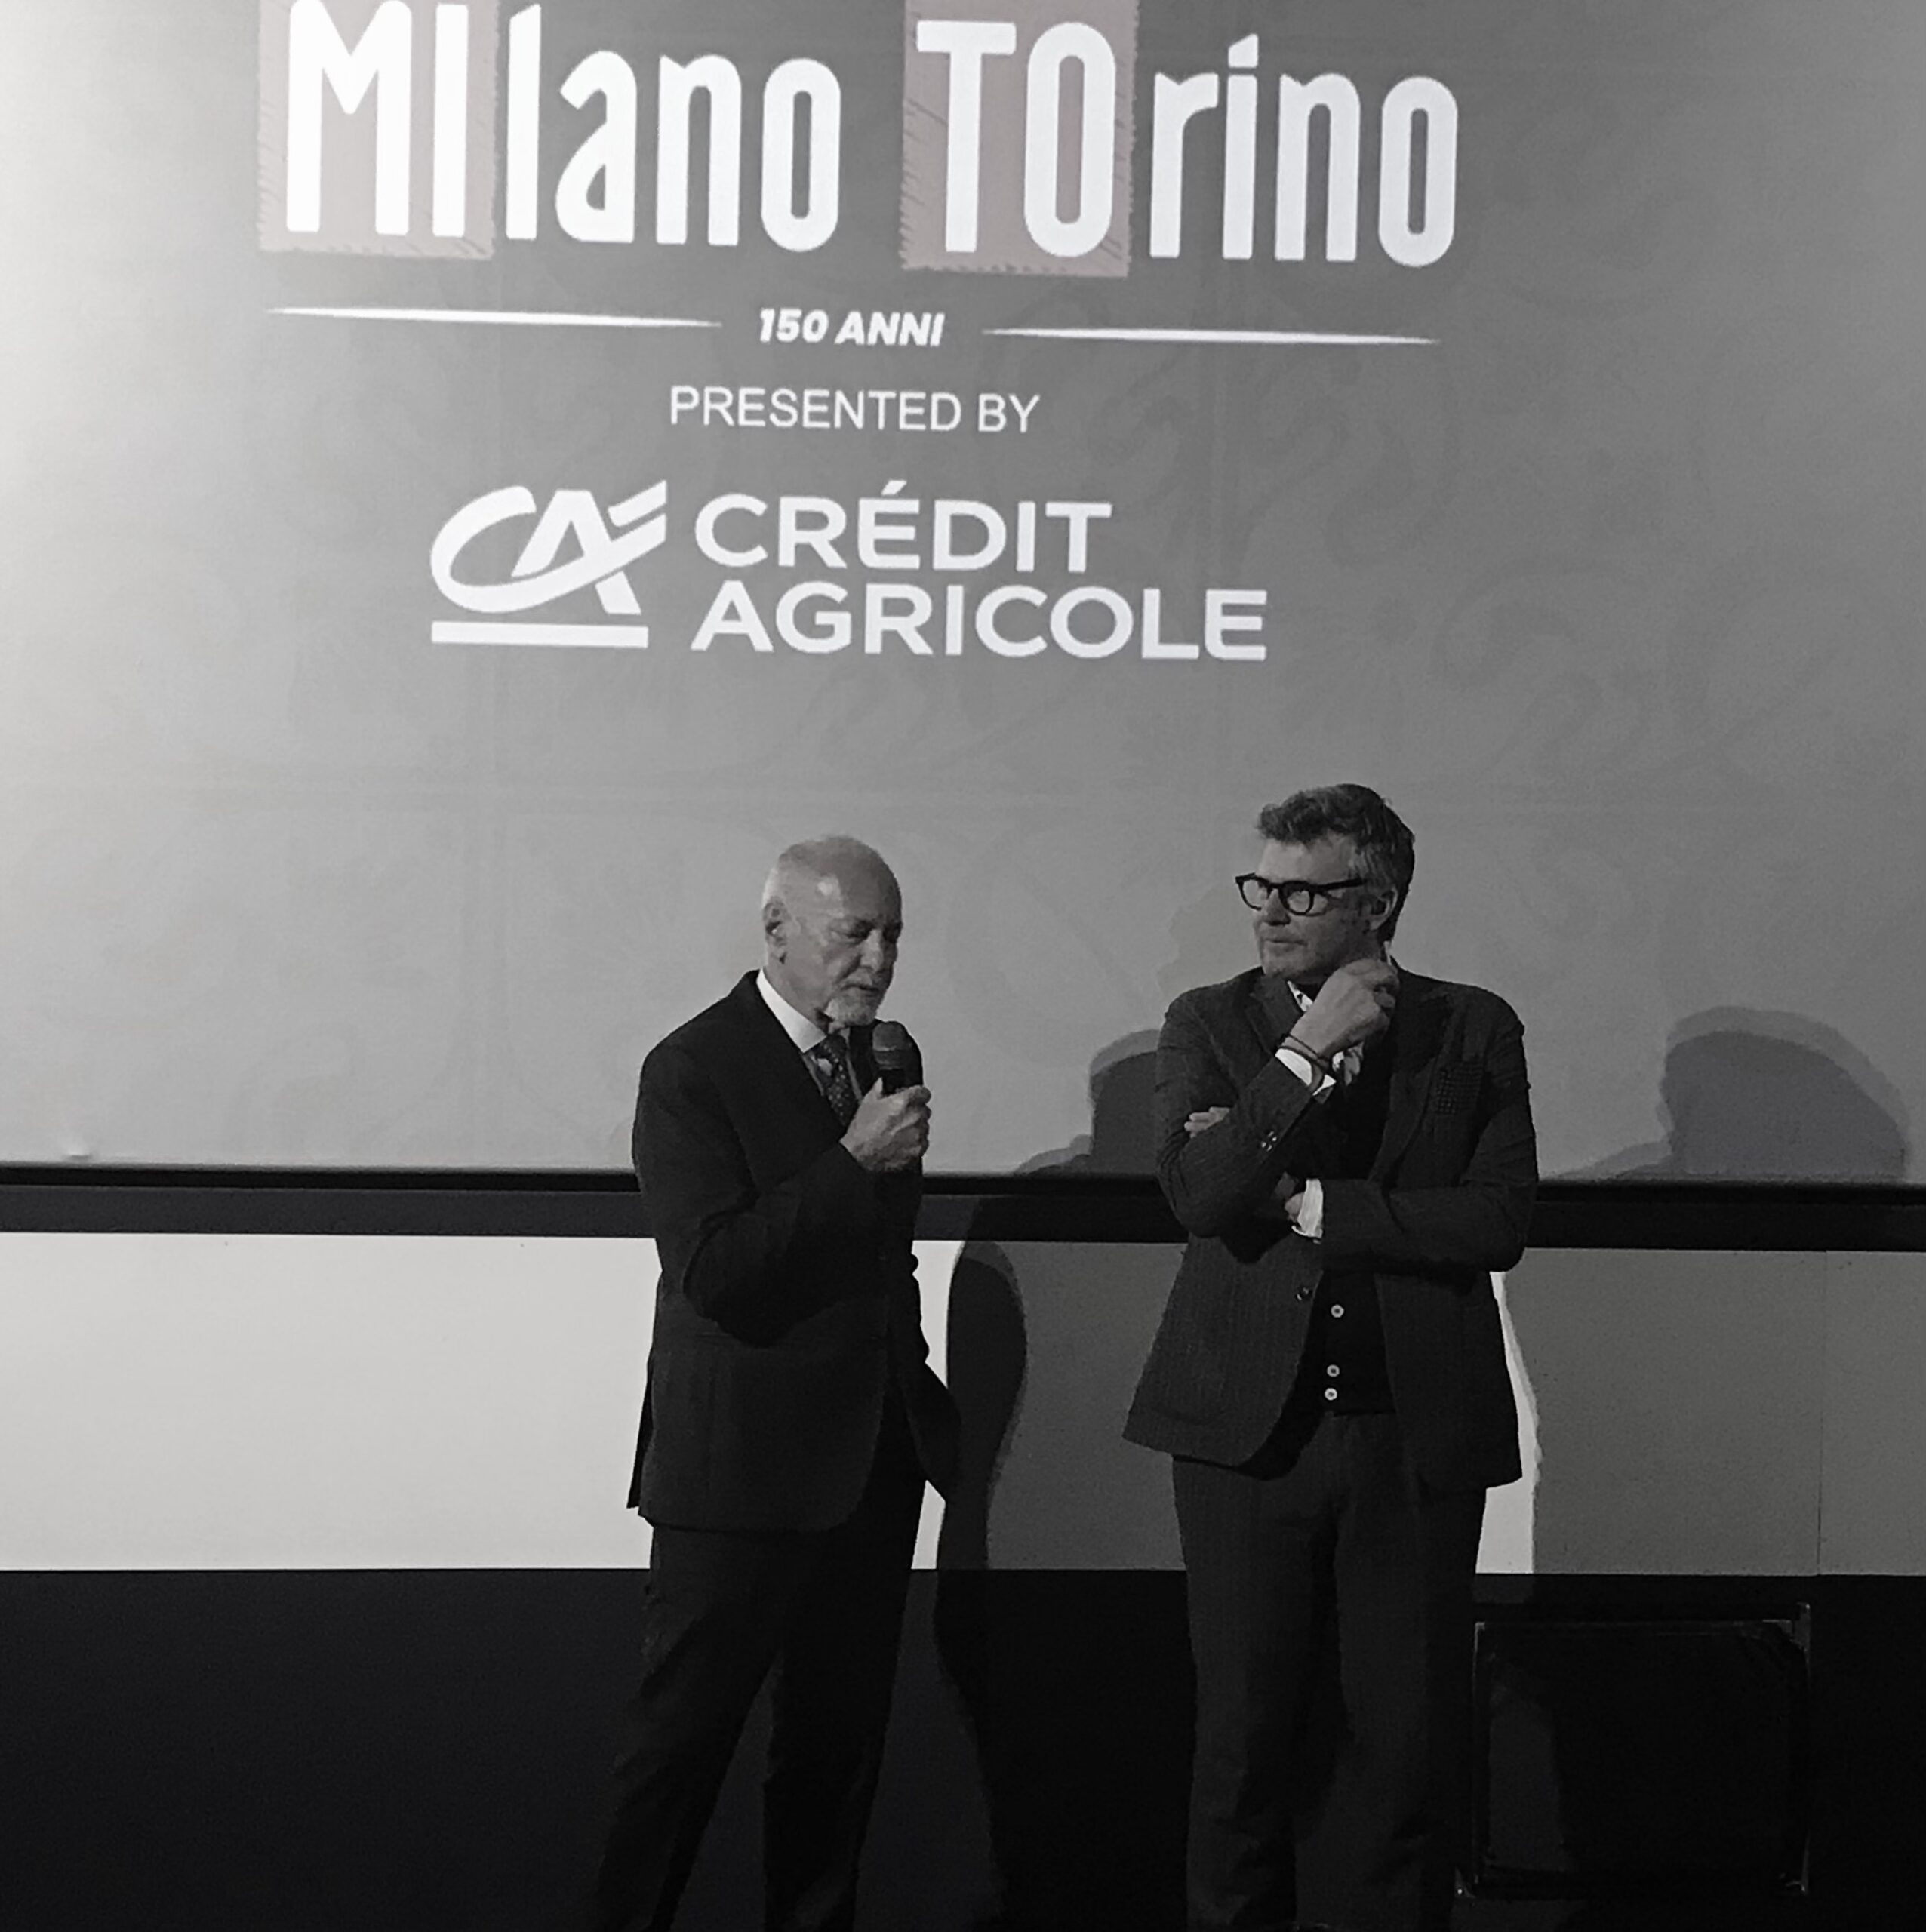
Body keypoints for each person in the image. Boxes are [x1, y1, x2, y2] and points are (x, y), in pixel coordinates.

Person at [1125, 784, 1537, 1932]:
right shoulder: (1208, 1024)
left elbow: (1497, 1217)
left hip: (1414, 1439)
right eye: (1263, 885)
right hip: (1246, 1442)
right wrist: (1302, 1057)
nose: (1272, 910)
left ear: (1381, 900)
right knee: (1243, 1752)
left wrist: (1312, 1207)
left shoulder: (1472, 1027)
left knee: (1402, 1759)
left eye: (1306, 890)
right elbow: (1202, 1196)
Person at [583, 835, 960, 1932]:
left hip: (869, 1463)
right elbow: (715, 1271)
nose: (880, 960)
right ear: (779, 932)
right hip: (737, 1477)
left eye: (894, 935)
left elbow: (879, 1260)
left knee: (835, 1762)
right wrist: (851, 1162)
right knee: (679, 1756)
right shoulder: (693, 1068)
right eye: (856, 934)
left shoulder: (884, 1054)